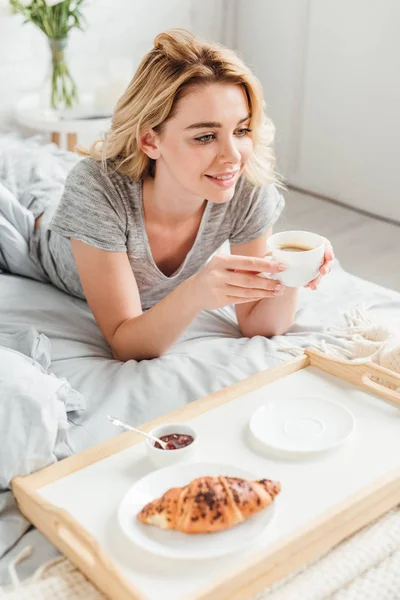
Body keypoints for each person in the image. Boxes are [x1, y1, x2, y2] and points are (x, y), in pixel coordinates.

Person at [32, 28, 333, 362]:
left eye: (242, 130)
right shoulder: (96, 190)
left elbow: (258, 324)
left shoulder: (245, 183)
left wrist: (294, 269)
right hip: (35, 232)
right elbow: (125, 343)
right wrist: (195, 293)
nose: (232, 155)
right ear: (150, 140)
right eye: (205, 136)